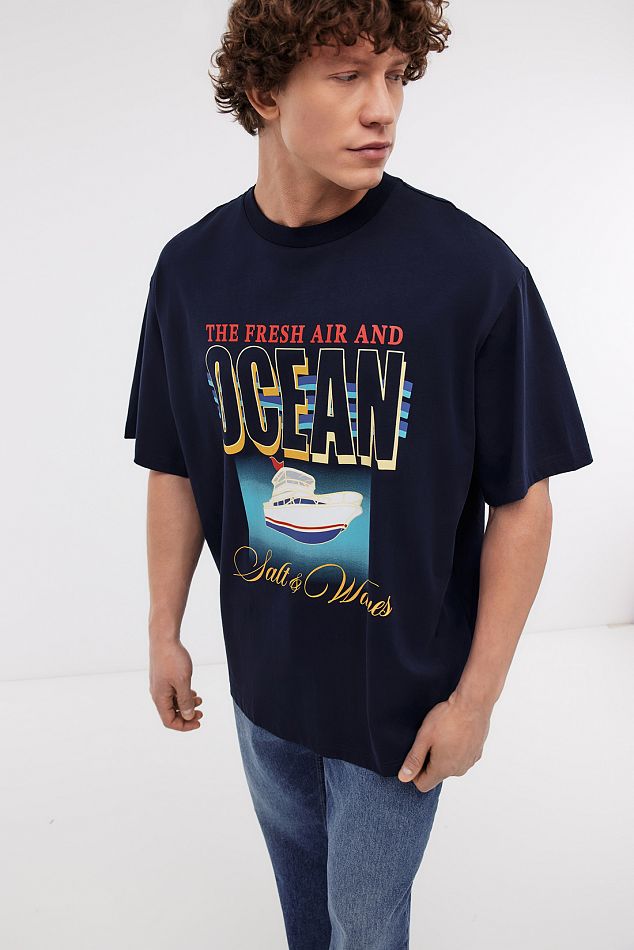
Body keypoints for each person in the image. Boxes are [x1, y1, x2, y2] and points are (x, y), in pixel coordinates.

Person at [124, 2, 594, 946]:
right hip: (262, 685)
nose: (382, 107)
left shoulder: (468, 272)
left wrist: (475, 702)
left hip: (399, 705)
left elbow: (524, 501)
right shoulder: (191, 271)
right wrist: (163, 630)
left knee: (366, 927)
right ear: (265, 90)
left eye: (396, 77)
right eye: (348, 76)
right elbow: (173, 463)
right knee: (306, 917)